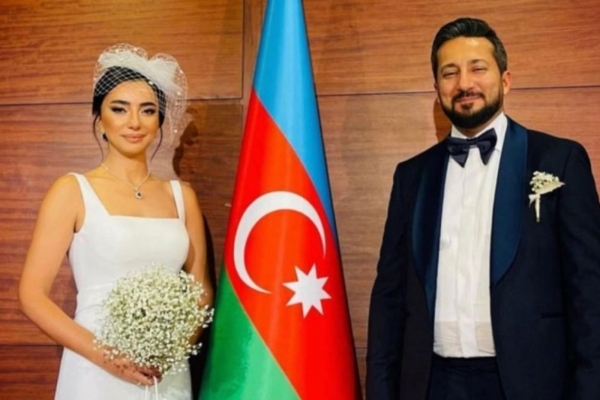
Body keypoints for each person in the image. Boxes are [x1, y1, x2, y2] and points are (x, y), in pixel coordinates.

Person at [366, 17, 600, 400]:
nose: (464, 84)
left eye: (477, 68)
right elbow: (389, 298)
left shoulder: (560, 160)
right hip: (431, 383)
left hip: (530, 384)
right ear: (437, 89)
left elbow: (589, 292)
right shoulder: (411, 176)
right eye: (450, 73)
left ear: (505, 80)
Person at [18, 43, 213, 400]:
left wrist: (169, 351)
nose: (134, 122)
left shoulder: (181, 197)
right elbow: (32, 296)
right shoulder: (72, 190)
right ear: (100, 118)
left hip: (164, 372)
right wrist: (110, 358)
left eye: (147, 110)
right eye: (119, 109)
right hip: (94, 368)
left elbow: (201, 291)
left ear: (159, 120)